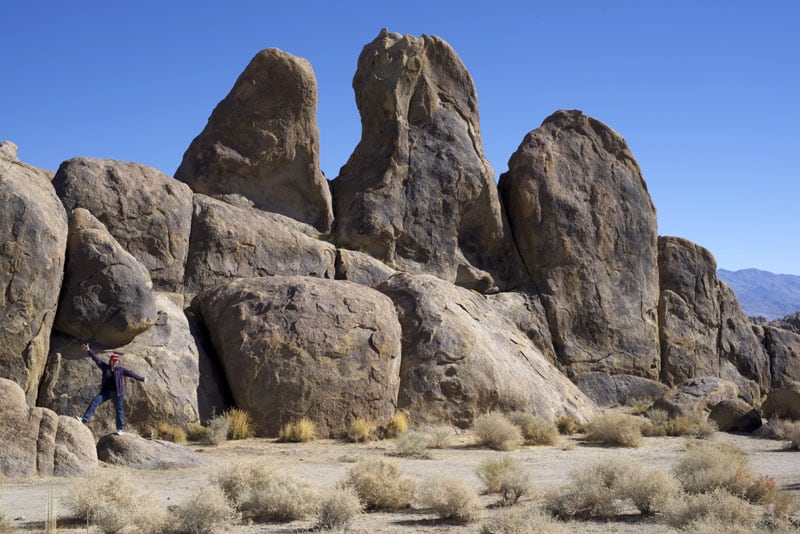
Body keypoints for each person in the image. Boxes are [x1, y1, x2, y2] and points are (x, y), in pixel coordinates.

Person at [77, 343, 147, 435]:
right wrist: (89, 350)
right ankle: (85, 419)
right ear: (110, 361)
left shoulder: (120, 370)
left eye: (116, 361)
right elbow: (96, 359)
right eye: (113, 360)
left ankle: (120, 429)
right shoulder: (105, 367)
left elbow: (131, 373)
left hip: (118, 393)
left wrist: (142, 379)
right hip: (106, 392)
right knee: (95, 400)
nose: (115, 362)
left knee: (119, 410)